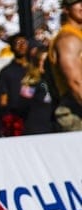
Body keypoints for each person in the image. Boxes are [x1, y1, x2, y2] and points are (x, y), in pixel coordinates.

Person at [49, 0, 82, 131]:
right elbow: (76, 83)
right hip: (76, 111)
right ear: (66, 9)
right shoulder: (68, 39)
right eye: (78, 2)